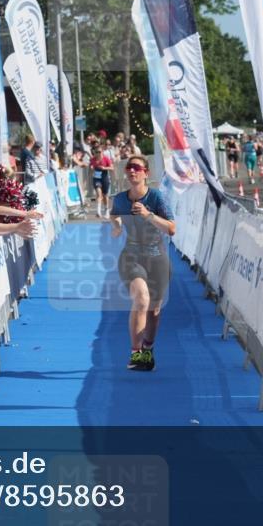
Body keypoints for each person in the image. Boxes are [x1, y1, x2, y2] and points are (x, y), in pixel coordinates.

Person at [109, 156, 176, 371]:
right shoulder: (120, 199)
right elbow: (114, 214)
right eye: (129, 168)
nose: (132, 171)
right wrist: (117, 225)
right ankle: (136, 353)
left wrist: (148, 215)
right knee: (141, 299)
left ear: (146, 173)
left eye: (137, 168)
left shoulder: (156, 197)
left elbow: (171, 229)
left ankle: (148, 349)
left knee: (154, 310)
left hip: (157, 258)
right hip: (131, 256)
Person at [90, 144, 114, 219]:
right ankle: (98, 211)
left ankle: (106, 211)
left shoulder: (106, 159)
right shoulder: (93, 159)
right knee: (98, 193)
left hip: (104, 177)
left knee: (105, 195)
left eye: (100, 152)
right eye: (96, 152)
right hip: (96, 178)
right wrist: (91, 168)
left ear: (102, 152)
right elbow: (91, 167)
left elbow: (112, 168)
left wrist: (104, 168)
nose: (98, 153)